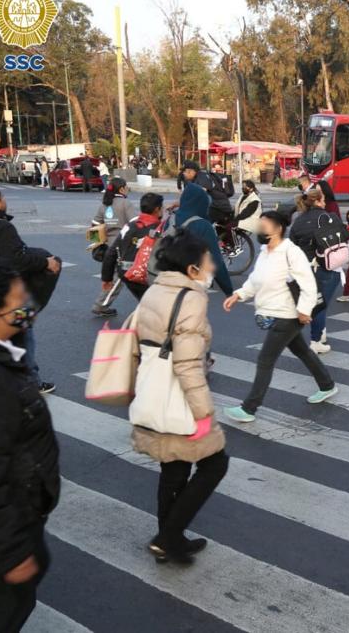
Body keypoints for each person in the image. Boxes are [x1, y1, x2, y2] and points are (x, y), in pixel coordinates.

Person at [133, 232, 229, 564]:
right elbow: (188, 364)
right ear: (192, 268)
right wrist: (204, 414)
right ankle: (168, 537)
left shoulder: (154, 290)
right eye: (207, 262)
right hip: (180, 398)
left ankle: (170, 540)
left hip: (153, 391)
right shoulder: (190, 299)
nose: (212, 267)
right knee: (215, 463)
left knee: (173, 470)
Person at [0, 262, 60, 632]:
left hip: (18, 518)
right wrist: (10, 553)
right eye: (19, 299)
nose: (27, 304)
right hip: (1, 541)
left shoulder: (2, 351)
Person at [223, 211, 337, 423]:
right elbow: (255, 279)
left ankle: (249, 408)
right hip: (273, 313)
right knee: (302, 351)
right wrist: (238, 294)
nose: (260, 228)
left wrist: (304, 310)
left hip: (287, 314)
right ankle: (327, 384)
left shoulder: (291, 252)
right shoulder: (265, 251)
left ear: (277, 229)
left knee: (265, 360)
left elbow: (308, 284)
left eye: (264, 224)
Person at [0, 180, 61, 394]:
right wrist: (45, 261)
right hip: (8, 298)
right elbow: (17, 259)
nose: (5, 200)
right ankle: (31, 381)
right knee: (25, 333)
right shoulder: (1, 226)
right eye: (2, 197)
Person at [289, 186, 349, 354]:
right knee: (320, 305)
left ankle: (320, 335)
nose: (325, 203)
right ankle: (316, 340)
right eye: (323, 200)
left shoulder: (298, 221)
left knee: (314, 303)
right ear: (317, 201)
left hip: (305, 269)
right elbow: (345, 235)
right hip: (326, 267)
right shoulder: (327, 217)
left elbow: (293, 245)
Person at [99, 192, 164, 302]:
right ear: (157, 209)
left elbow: (111, 252)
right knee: (154, 305)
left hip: (126, 274)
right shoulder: (159, 229)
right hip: (146, 275)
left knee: (146, 302)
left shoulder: (130, 225)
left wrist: (107, 278)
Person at [173, 183, 234, 298]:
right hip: (190, 286)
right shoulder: (202, 225)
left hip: (169, 282)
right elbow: (216, 261)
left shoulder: (175, 218)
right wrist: (228, 290)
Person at [91, 177, 136, 317]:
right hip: (123, 246)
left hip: (109, 246)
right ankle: (100, 305)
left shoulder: (104, 204)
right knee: (120, 278)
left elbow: (94, 225)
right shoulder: (125, 204)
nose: (127, 188)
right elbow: (135, 225)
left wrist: (98, 244)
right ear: (121, 188)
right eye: (126, 186)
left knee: (114, 276)